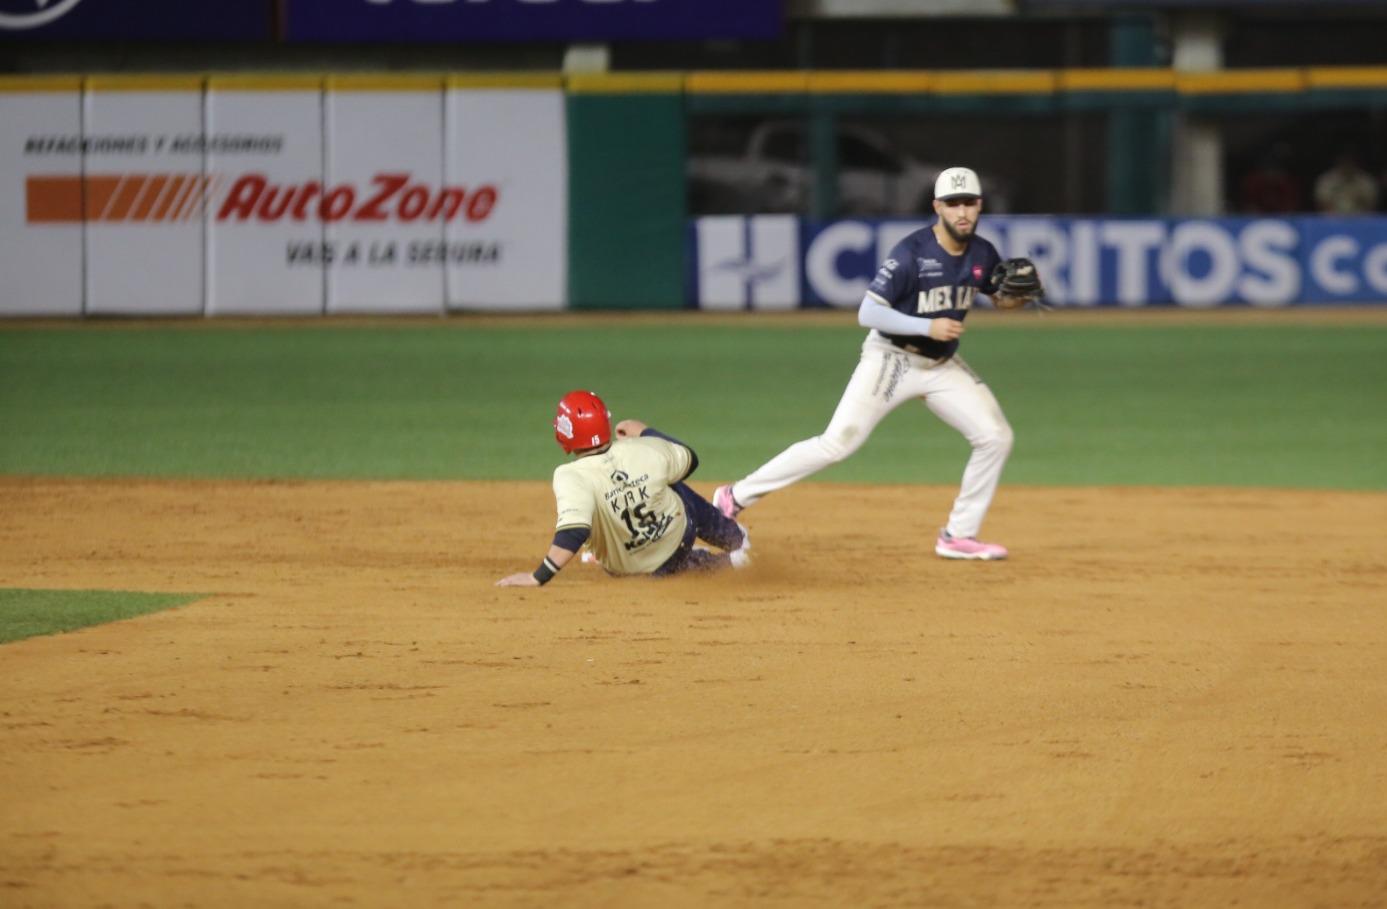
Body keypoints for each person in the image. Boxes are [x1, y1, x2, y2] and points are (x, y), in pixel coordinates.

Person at [713, 166, 1039, 561]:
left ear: (980, 205)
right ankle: (734, 496)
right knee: (837, 444)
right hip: (892, 359)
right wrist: (926, 325)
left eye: (969, 202)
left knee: (995, 436)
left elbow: (1000, 298)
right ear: (937, 207)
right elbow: (868, 312)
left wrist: (1016, 297)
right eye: (953, 204)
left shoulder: (983, 252)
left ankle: (958, 535)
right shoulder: (911, 253)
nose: (962, 212)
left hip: (941, 366)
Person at [496, 389, 751, 587]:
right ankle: (735, 539)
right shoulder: (644, 448)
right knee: (672, 484)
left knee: (589, 508)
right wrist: (645, 431)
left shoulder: (570, 476)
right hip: (677, 540)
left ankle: (720, 564)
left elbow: (573, 531)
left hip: (630, 568)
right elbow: (689, 458)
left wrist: (538, 577)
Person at [1314, 150, 1378, 215]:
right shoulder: (1326, 180)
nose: (1347, 165)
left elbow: (1371, 205)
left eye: (1349, 162)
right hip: (1333, 219)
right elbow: (1322, 204)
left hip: (1360, 219)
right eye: (1344, 162)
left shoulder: (1366, 181)